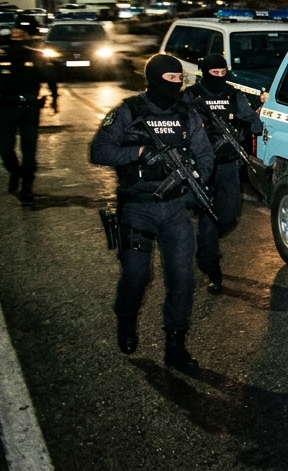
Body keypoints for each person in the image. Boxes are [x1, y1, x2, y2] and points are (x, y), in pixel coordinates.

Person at [89, 54, 213, 373]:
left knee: (182, 279)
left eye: (179, 80)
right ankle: (127, 320)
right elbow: (99, 151)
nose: (176, 85)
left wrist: (195, 177)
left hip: (175, 209)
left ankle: (176, 346)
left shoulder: (187, 113)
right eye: (170, 79)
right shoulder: (129, 111)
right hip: (137, 208)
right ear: (155, 79)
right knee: (136, 276)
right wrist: (140, 153)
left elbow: (204, 153)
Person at [184, 54, 262, 294]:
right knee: (209, 218)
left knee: (228, 214)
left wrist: (249, 124)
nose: (218, 77)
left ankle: (204, 243)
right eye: (213, 73)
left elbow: (252, 122)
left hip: (228, 164)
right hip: (202, 165)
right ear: (204, 73)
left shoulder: (233, 95)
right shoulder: (191, 96)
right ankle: (211, 268)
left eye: (222, 73)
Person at [0, 21, 58, 203]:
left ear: (28, 34)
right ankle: (16, 171)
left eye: (20, 30)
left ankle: (27, 185)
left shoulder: (34, 54)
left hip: (29, 108)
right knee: (5, 147)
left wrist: (55, 99)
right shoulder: (2, 54)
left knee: (29, 149)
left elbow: (50, 78)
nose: (15, 32)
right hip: (6, 107)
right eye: (14, 30)